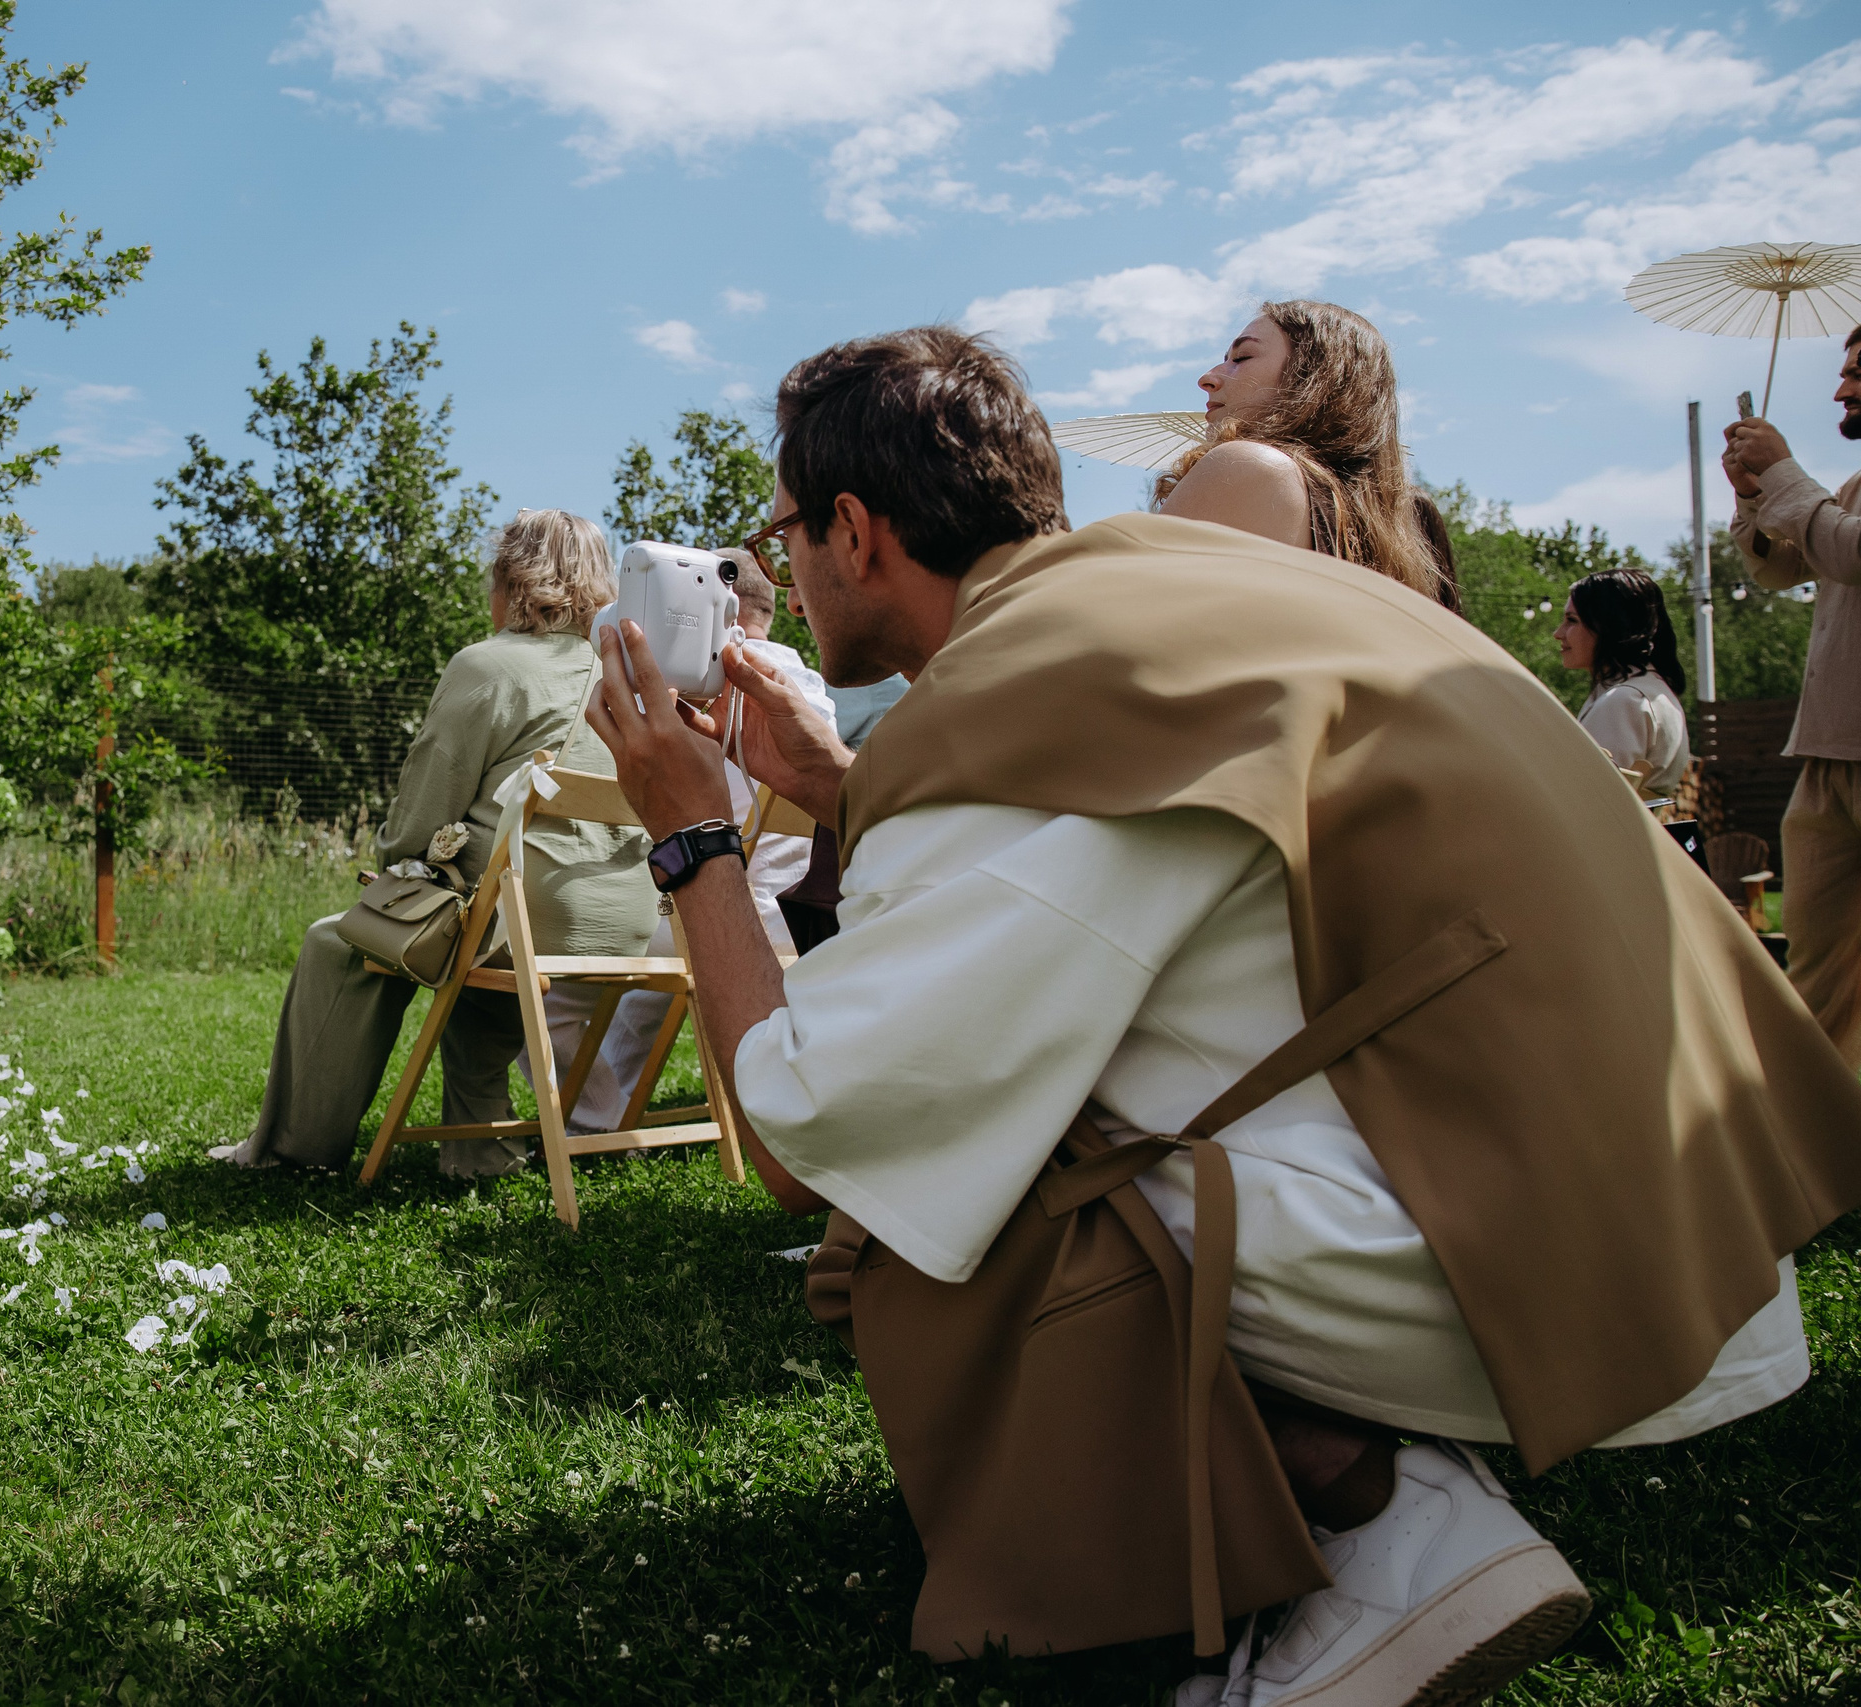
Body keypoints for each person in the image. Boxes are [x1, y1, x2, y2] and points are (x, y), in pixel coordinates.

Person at [588, 325, 1861, 1702]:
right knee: (1017, 1092)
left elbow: (802, 1129)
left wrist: (692, 836)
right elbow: (1112, 850)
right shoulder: (1161, 601)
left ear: (854, 527)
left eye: (784, 527)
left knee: (934, 1183)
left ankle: (1387, 1516)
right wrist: (846, 785)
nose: (778, 558)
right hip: (1692, 1216)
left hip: (1583, 1280)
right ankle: (1352, 1462)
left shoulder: (1019, 709)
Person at [216, 509, 655, 1177]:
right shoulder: (625, 674)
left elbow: (424, 813)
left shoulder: (489, 665)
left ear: (512, 579)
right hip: (625, 919)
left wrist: (395, 864)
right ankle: (480, 1148)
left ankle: (289, 1150)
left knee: (339, 943)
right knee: (480, 958)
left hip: (526, 918)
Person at [521, 548, 835, 1133]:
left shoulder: (688, 689)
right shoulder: (812, 694)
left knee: (555, 977)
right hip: (796, 927)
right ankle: (618, 1113)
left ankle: (594, 1121)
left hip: (712, 908)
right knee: (650, 969)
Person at [1725, 324, 1861, 1062]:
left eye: (1858, 372)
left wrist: (1781, 473)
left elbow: (1849, 551)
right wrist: (1752, 499)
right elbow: (1782, 570)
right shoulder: (1852, 489)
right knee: (1815, 984)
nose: (1841, 388)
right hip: (1827, 757)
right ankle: (1819, 1155)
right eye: (1843, 371)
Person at [1157, 300, 1462, 610]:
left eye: (1242, 357)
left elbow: (1134, 616)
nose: (1207, 378)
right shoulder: (1377, 531)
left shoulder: (1248, 466)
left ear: (1311, 378)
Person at [1552, 569, 1689, 796]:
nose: (1559, 633)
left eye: (1572, 620)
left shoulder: (1624, 701)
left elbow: (1590, 800)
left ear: (1609, 625)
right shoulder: (1650, 690)